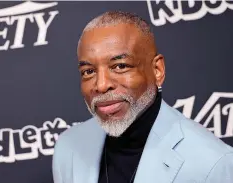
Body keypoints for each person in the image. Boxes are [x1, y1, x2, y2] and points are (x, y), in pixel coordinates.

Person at [52, 11, 233, 183]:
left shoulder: (213, 163)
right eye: (89, 71)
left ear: (157, 70)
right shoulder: (68, 147)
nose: (101, 85)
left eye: (120, 66)